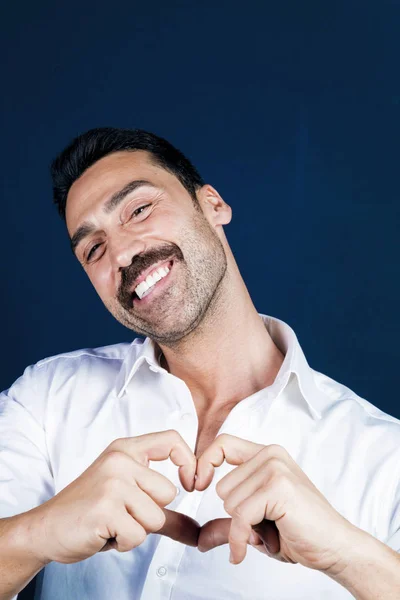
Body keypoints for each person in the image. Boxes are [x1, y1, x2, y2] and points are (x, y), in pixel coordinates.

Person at [0, 127, 399, 600]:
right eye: (94, 249)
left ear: (213, 204)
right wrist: (38, 533)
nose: (123, 252)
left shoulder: (384, 459)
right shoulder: (45, 399)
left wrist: (348, 556)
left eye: (139, 210)